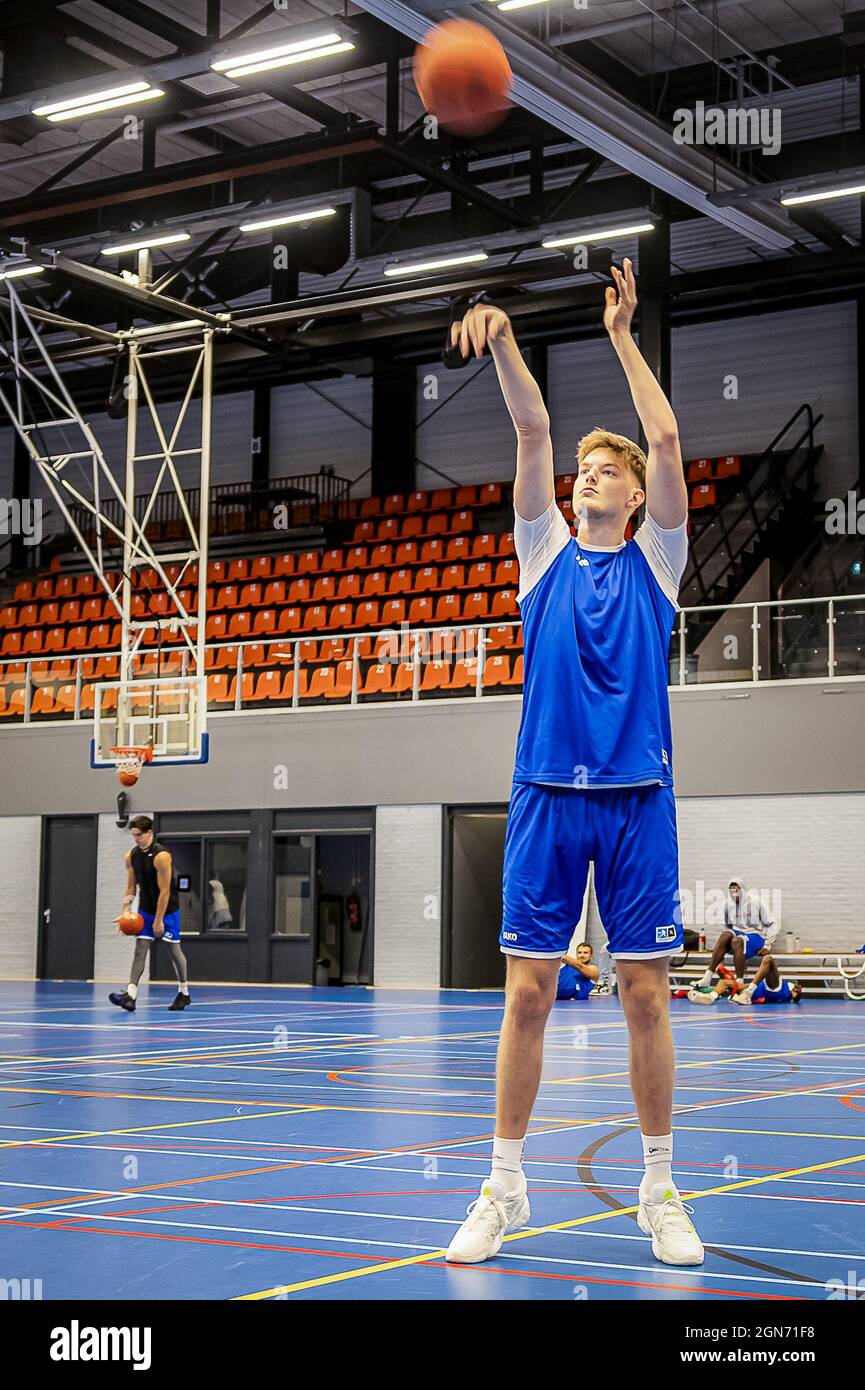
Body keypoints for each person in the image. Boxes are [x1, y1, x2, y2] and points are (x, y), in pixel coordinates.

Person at [446, 259, 703, 1268]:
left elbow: (671, 435)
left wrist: (620, 334)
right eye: (584, 469)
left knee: (643, 993)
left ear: (637, 496)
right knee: (526, 993)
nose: (586, 474)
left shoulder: (659, 563)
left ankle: (659, 1188)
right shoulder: (542, 552)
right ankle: (502, 1187)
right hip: (545, 796)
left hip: (637, 800)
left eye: (607, 470)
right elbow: (529, 430)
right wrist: (505, 340)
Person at [109, 816, 191, 1013]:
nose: (136, 839)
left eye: (139, 835)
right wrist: (125, 911)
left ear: (149, 833)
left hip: (167, 911)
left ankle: (184, 992)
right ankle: (131, 995)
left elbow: (165, 891)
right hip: (145, 909)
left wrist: (159, 920)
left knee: (174, 951)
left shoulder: (162, 856)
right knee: (140, 949)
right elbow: (131, 886)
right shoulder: (131, 856)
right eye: (133, 835)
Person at [695, 877, 778, 993]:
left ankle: (739, 982)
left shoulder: (756, 901)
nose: (734, 893)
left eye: (737, 890)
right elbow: (726, 926)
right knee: (725, 935)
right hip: (738, 935)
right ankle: (707, 977)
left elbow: (772, 923)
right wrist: (726, 945)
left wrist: (767, 945)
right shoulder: (727, 904)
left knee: (737, 941)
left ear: (743, 889)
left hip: (755, 936)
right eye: (731, 891)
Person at [731, 953, 803, 1006]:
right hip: (769, 990)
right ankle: (747, 993)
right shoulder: (754, 992)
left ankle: (748, 992)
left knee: (768, 959)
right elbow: (795, 997)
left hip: (776, 989)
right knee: (768, 959)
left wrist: (797, 993)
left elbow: (796, 998)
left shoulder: (790, 989)